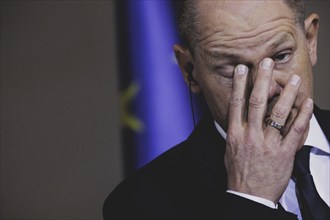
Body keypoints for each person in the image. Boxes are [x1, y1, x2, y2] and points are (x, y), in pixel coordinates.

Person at [103, 0, 329, 219]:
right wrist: (252, 200)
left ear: (310, 40)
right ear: (190, 71)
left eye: (281, 56)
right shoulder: (138, 204)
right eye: (235, 70)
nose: (266, 88)